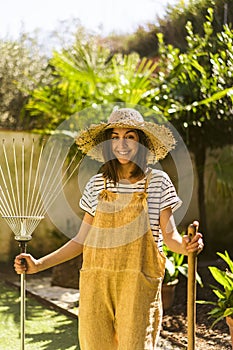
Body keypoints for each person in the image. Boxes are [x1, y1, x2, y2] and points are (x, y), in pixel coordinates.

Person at [14, 108, 204, 350]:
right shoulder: (97, 184)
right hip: (97, 286)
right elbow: (81, 240)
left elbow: (170, 237)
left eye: (130, 137)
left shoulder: (158, 183)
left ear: (142, 142)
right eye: (115, 136)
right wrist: (39, 265)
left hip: (138, 286)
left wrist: (186, 247)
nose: (121, 144)